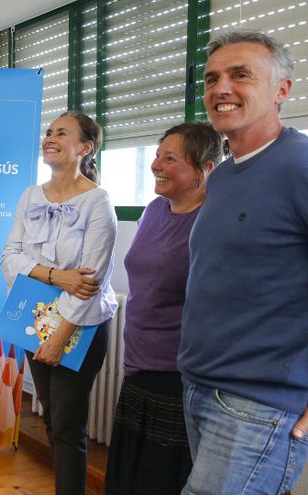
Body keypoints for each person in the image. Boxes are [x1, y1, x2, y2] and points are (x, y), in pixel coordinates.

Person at [178, 29, 308, 494]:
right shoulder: (225, 175)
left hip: (259, 404)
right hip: (202, 387)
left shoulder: (300, 165)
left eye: (240, 75)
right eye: (212, 79)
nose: (221, 88)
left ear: (281, 90)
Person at [0, 110, 117, 495]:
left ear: (85, 147)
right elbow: (9, 258)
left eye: (61, 133)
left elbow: (90, 283)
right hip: (36, 319)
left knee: (67, 425)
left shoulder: (98, 201)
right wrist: (55, 275)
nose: (50, 137)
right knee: (51, 417)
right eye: (49, 132)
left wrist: (58, 337)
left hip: (79, 325)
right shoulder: (30, 196)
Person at [103, 122, 222, 495]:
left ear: (206, 169)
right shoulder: (155, 209)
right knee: (128, 476)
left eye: (170, 159)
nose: (156, 165)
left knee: (161, 479)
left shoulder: (213, 222)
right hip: (138, 365)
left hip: (179, 375)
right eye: (157, 155)